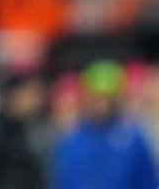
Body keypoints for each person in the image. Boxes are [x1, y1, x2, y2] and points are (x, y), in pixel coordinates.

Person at [52, 60, 158, 189]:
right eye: (95, 98)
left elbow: (147, 181)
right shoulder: (72, 139)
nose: (100, 105)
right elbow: (63, 181)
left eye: (106, 98)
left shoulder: (132, 138)